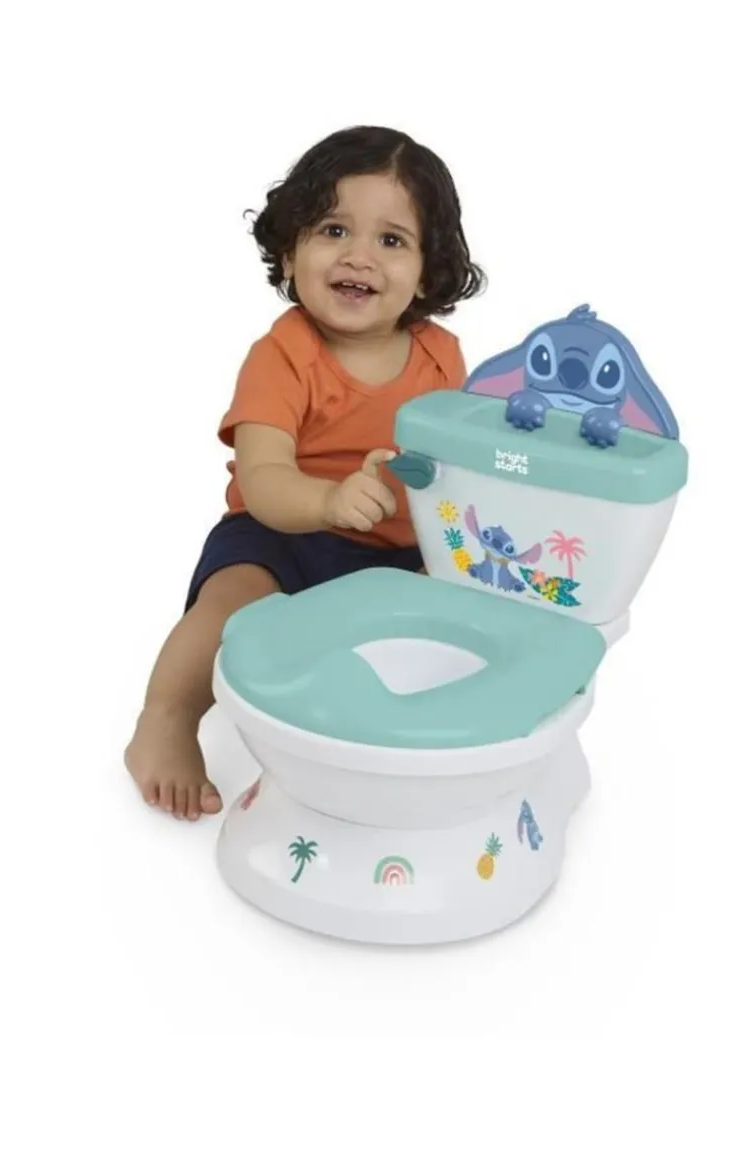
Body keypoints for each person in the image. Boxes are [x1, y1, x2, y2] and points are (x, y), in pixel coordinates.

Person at [125, 125, 485, 820]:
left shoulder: (441, 356)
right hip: (281, 538)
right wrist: (327, 502)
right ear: (290, 250)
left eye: (392, 239)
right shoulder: (283, 356)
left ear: (427, 271)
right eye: (333, 229)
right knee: (229, 606)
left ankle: (401, 734)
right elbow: (263, 478)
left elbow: (456, 465)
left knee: (453, 610)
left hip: (396, 553)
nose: (359, 256)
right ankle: (165, 719)